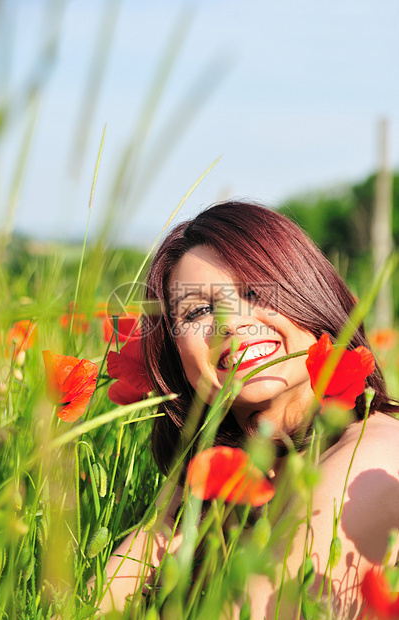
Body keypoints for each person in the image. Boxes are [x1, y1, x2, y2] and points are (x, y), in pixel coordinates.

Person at [97, 201, 399, 618]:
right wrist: (169, 517)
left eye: (255, 292)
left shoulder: (373, 459)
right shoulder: (226, 475)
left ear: (311, 295)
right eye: (198, 310)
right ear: (175, 355)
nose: (232, 323)